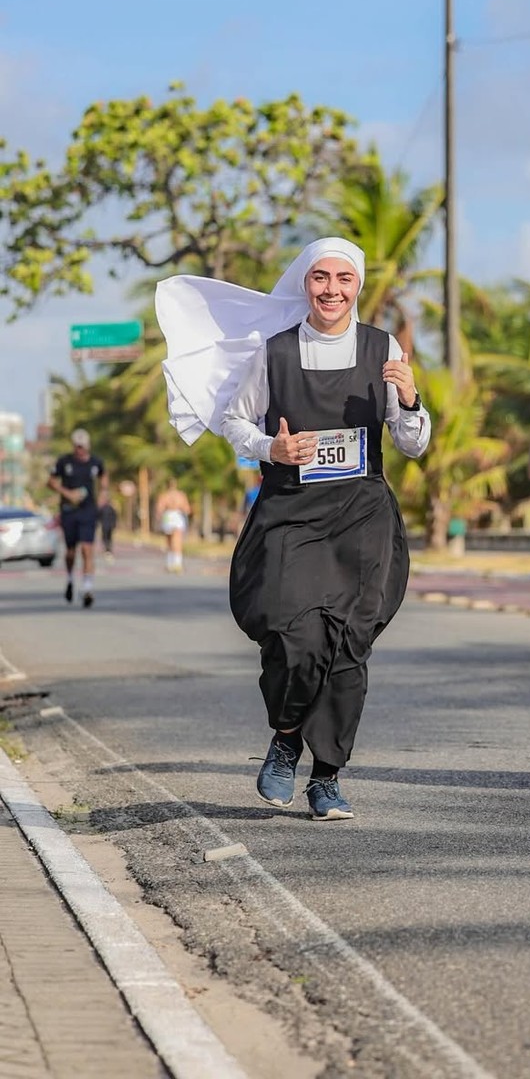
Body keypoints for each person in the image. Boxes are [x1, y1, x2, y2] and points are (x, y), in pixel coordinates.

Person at [155, 237, 431, 821]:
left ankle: (326, 778)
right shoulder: (274, 353)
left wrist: (409, 401)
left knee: (349, 648)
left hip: (360, 516)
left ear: (358, 285)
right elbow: (233, 420)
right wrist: (271, 447)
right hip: (290, 513)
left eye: (344, 279)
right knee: (292, 636)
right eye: (320, 278)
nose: (332, 290)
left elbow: (411, 444)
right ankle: (286, 736)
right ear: (304, 283)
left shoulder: (384, 349)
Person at [47, 428, 109, 609]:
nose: (79, 449)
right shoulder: (64, 462)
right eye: (77, 446)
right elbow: (50, 481)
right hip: (69, 510)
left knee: (87, 549)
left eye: (82, 446)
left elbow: (104, 477)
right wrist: (68, 493)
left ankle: (88, 588)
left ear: (87, 445)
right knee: (71, 551)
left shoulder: (96, 462)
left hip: (88, 510)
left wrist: (103, 494)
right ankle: (69, 579)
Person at [155, 479, 192, 573]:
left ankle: (170, 563)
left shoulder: (164, 495)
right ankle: (177, 564)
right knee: (177, 540)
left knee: (169, 541)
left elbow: (160, 509)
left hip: (168, 516)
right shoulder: (181, 495)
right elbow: (187, 509)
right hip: (177, 516)